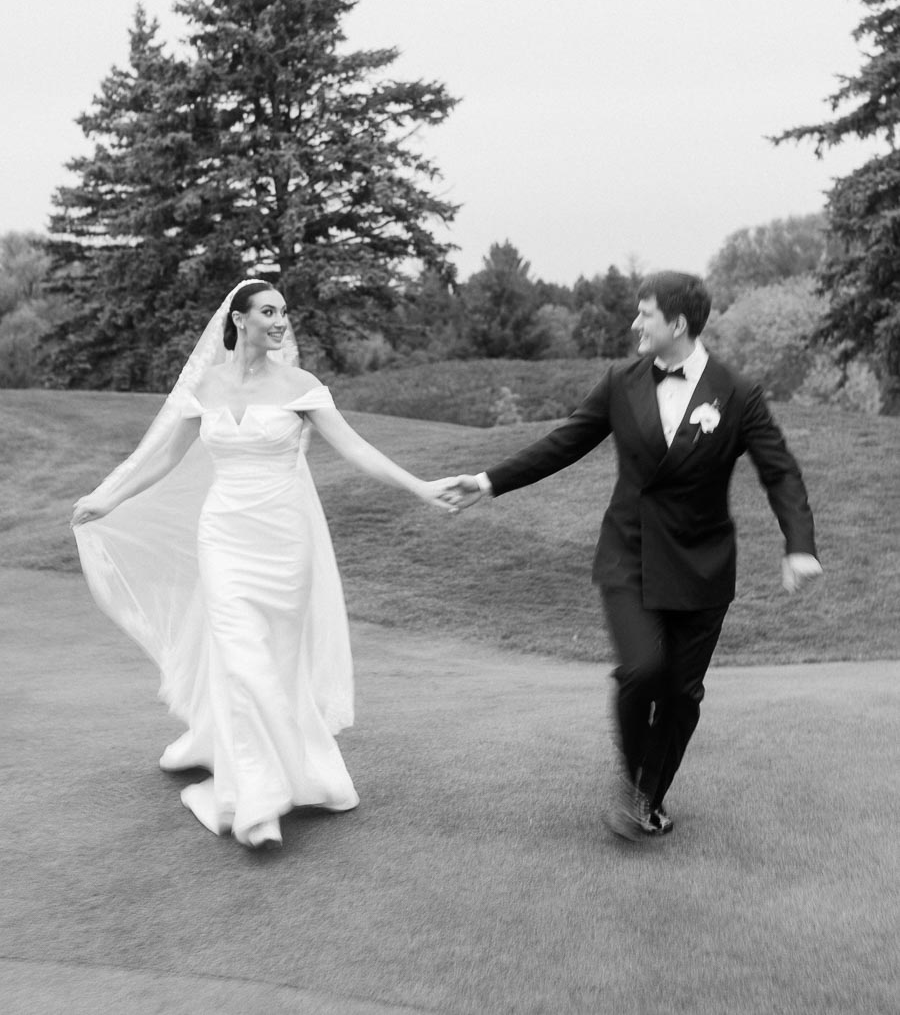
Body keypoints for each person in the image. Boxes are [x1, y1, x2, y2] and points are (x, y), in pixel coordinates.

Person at [72, 279, 454, 850]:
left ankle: (292, 771)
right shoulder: (206, 385)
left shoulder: (301, 385)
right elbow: (167, 460)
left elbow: (356, 449)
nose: (280, 322)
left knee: (273, 661)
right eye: (269, 312)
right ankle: (258, 801)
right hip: (224, 535)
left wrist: (421, 487)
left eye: (283, 313)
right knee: (241, 661)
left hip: (284, 542)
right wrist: (110, 498)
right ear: (240, 320)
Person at [443, 271, 822, 840]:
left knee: (681, 694)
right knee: (641, 669)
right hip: (630, 554)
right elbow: (566, 440)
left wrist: (798, 546)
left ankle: (648, 794)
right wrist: (487, 480)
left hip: (702, 563)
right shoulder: (621, 381)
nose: (634, 324)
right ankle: (633, 785)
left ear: (678, 323)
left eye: (644, 314)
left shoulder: (738, 394)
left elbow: (780, 472)